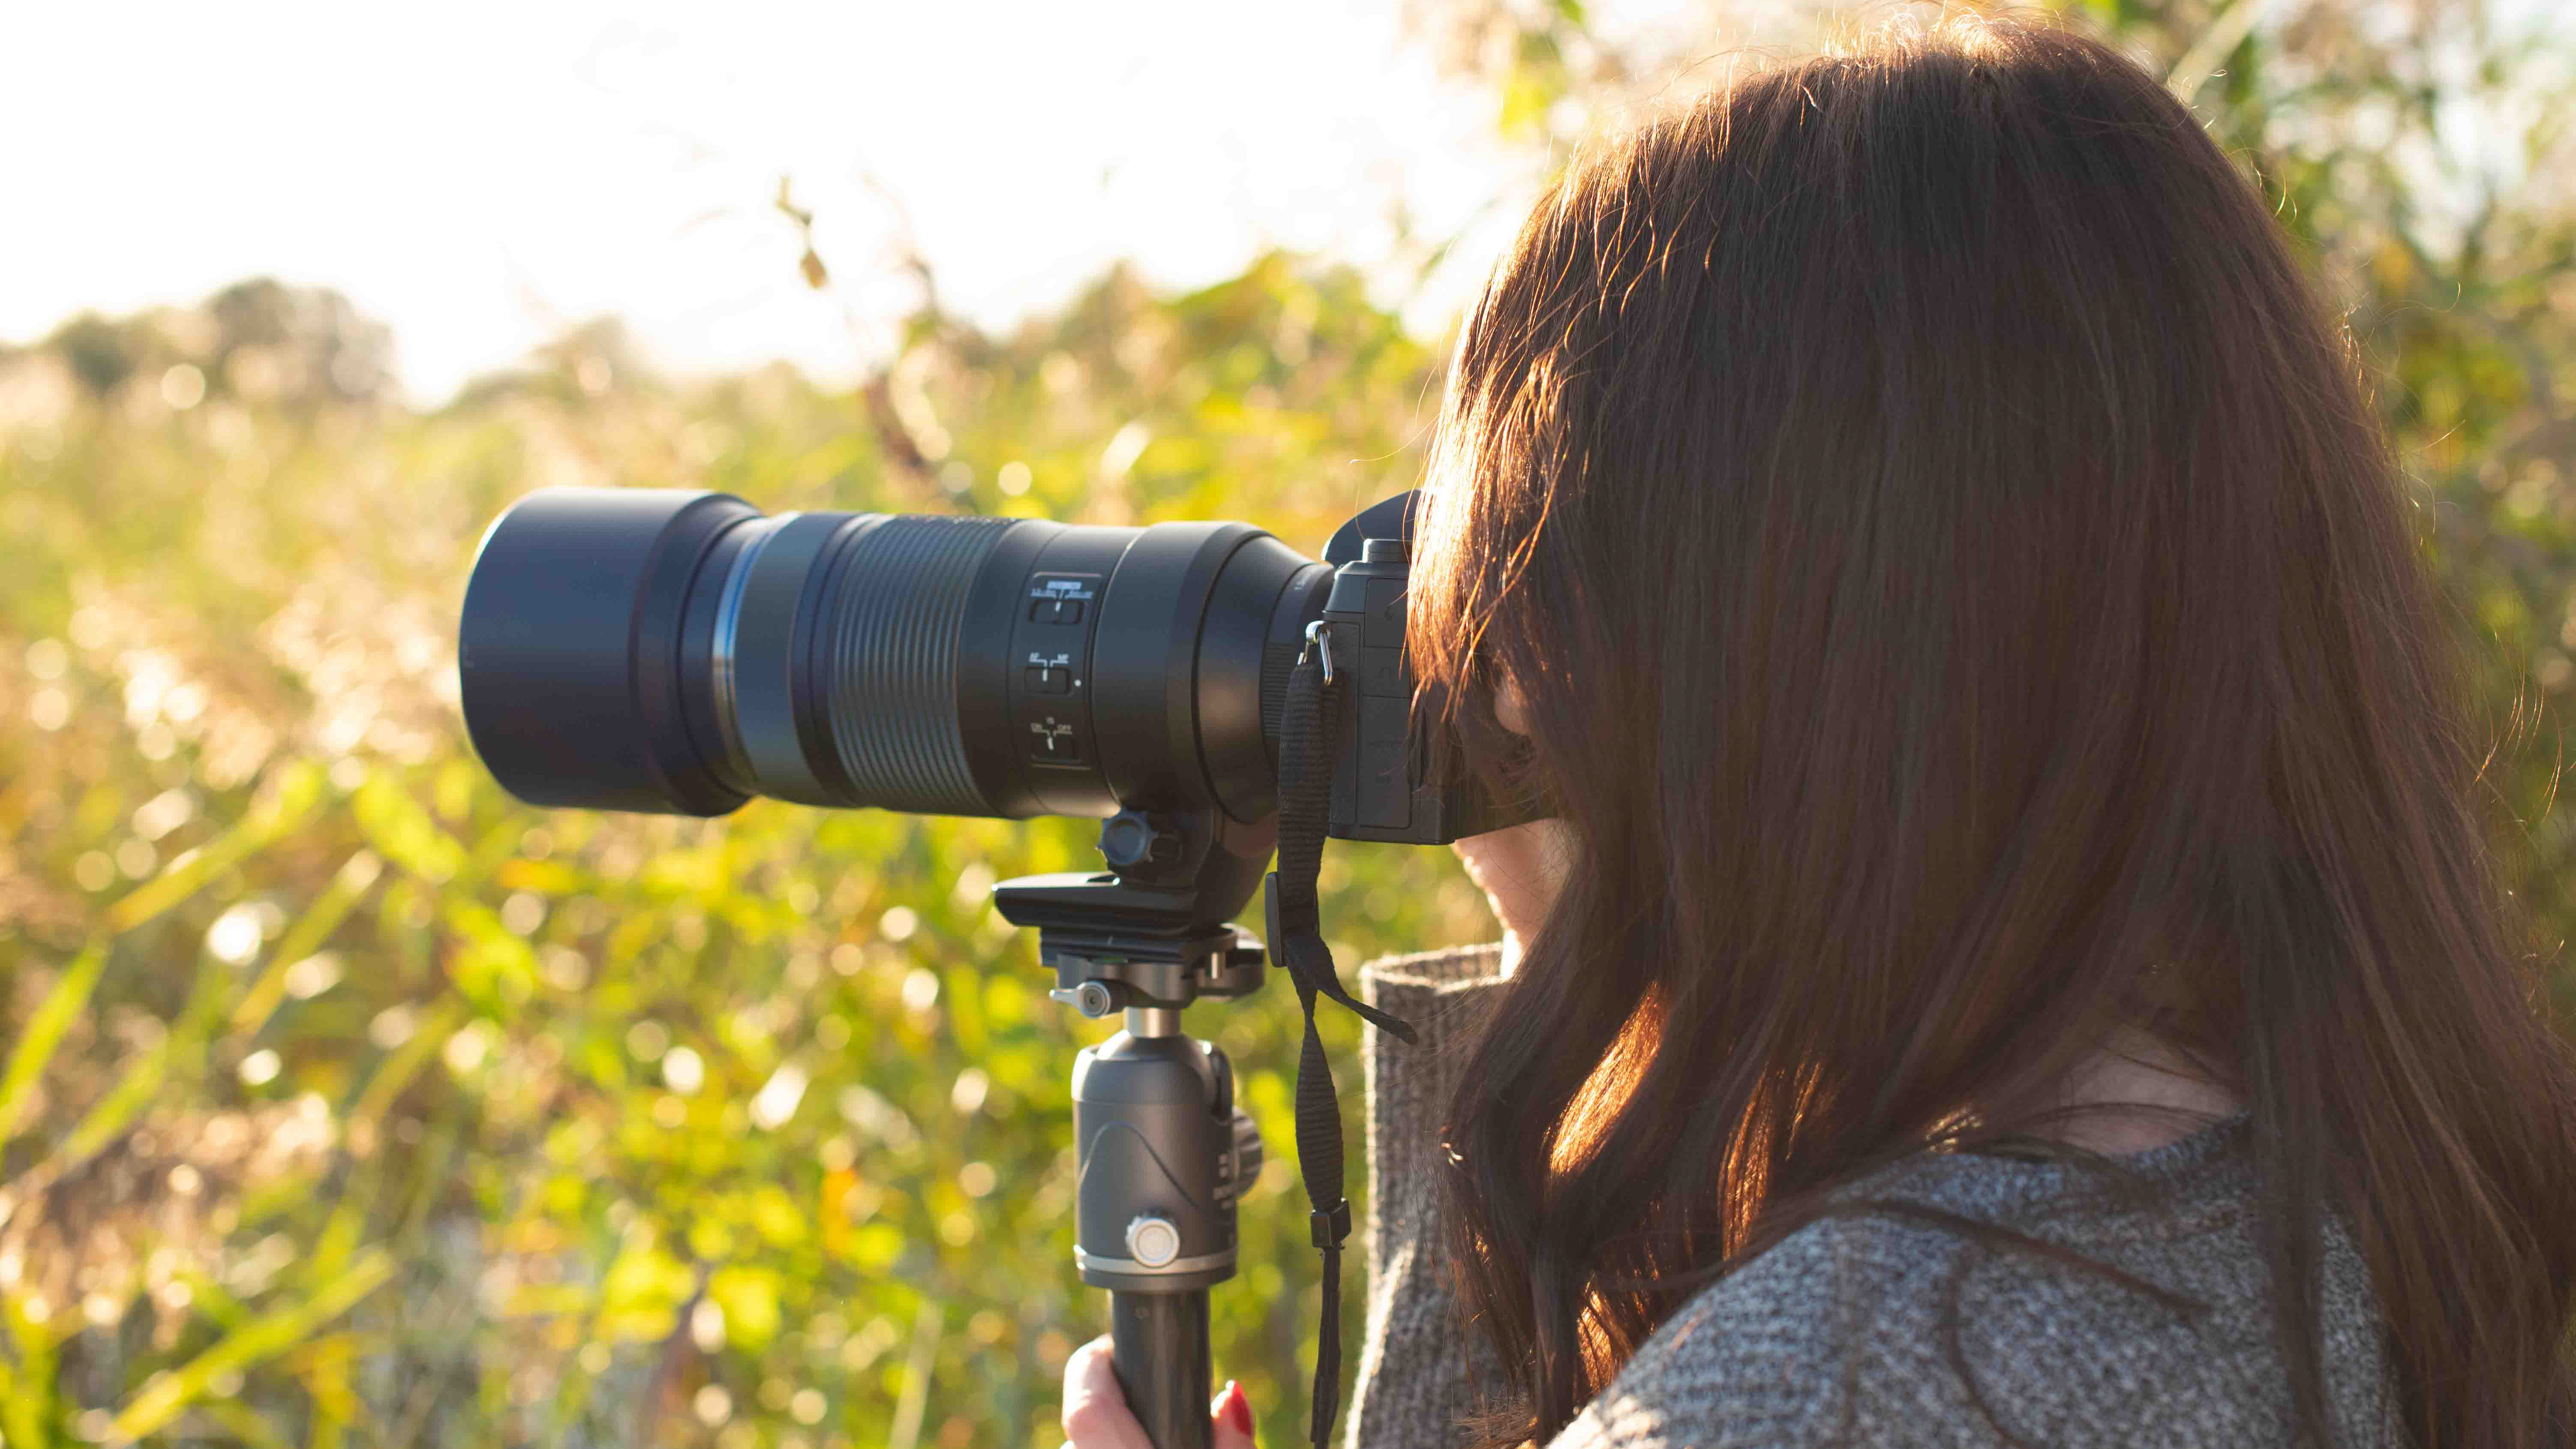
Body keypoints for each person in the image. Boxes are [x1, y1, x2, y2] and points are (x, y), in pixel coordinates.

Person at [1062, 12, 2576, 1448]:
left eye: (1528, 601)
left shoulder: (1819, 1388)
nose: (1493, 688)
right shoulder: (2390, 1214)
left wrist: (1570, 964)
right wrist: (1573, 967)